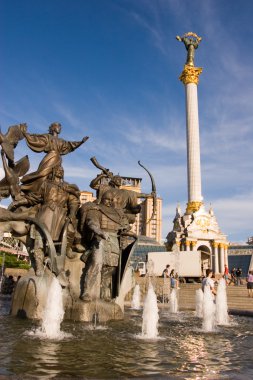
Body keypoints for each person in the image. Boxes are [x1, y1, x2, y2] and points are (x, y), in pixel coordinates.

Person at [80, 191, 133, 302]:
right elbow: (91, 222)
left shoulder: (119, 213)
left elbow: (126, 226)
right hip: (100, 239)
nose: (109, 202)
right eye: (107, 199)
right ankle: (86, 291)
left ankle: (105, 293)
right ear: (102, 199)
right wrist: (99, 231)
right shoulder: (96, 209)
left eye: (111, 200)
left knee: (110, 268)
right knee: (96, 264)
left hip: (114, 241)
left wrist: (126, 231)